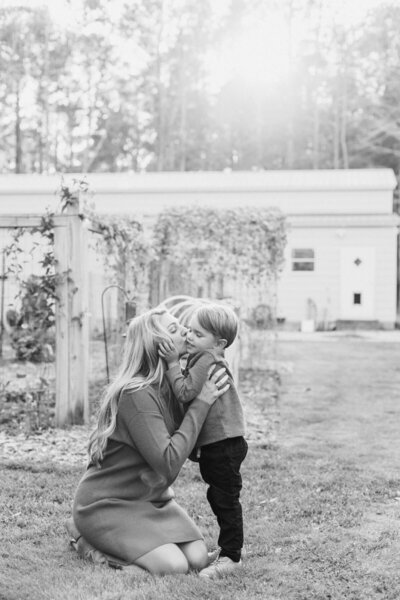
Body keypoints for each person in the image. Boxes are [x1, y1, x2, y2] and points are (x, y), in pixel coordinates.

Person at [70, 307, 229, 575]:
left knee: (198, 558)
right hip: (108, 503)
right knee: (174, 566)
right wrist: (201, 403)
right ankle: (82, 538)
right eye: (176, 331)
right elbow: (168, 462)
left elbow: (191, 440)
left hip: (153, 500)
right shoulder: (136, 395)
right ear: (158, 346)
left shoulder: (173, 385)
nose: (187, 334)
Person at [158, 302, 247, 579]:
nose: (189, 337)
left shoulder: (208, 359)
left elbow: (185, 393)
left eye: (198, 334)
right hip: (219, 444)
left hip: (224, 445)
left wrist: (172, 363)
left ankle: (232, 556)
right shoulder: (203, 358)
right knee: (219, 496)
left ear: (218, 343)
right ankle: (227, 549)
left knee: (225, 499)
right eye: (190, 331)